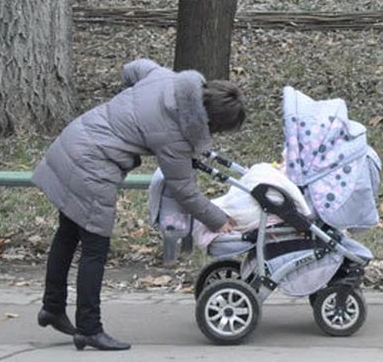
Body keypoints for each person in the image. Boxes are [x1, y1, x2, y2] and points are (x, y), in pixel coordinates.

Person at [33, 58, 244, 351]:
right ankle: (89, 329)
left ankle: (52, 307)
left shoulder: (165, 78)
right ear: (212, 123)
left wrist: (126, 107)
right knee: (95, 248)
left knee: (68, 233)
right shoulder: (177, 135)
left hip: (74, 138)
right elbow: (183, 189)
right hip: (93, 165)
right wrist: (217, 219)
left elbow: (131, 68)